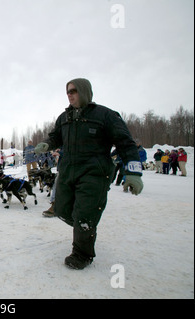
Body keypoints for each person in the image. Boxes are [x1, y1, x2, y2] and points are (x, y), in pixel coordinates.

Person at [35, 78, 143, 270]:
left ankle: (82, 254)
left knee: (85, 214)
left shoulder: (106, 115)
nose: (70, 94)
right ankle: (84, 227)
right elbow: (55, 137)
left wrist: (133, 173)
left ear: (84, 91)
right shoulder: (64, 118)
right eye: (67, 91)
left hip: (94, 172)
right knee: (60, 209)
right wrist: (47, 143)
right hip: (68, 170)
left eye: (74, 91)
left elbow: (125, 143)